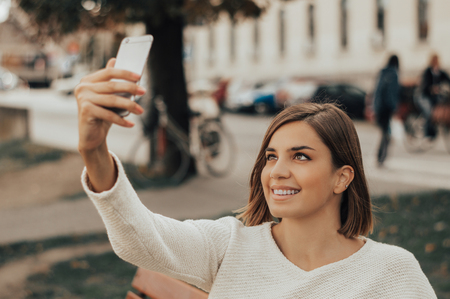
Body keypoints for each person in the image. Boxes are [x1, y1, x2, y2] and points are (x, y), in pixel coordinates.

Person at [76, 59, 436, 298]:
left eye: (301, 156)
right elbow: (140, 240)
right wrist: (94, 152)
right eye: (270, 156)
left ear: (341, 178)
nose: (277, 170)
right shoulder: (228, 245)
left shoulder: (392, 273)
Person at [373, 55, 400, 167]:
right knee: (386, 134)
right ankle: (381, 158)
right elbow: (391, 93)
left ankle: (381, 157)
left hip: (379, 108)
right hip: (386, 109)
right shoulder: (393, 74)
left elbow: (377, 91)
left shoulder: (382, 73)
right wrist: (393, 107)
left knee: (385, 132)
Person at [417, 54, 450, 139]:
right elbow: (425, 85)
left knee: (441, 107)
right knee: (429, 111)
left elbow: (448, 80)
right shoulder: (427, 72)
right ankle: (428, 133)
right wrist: (431, 89)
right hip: (424, 96)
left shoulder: (440, 72)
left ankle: (437, 127)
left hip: (435, 96)